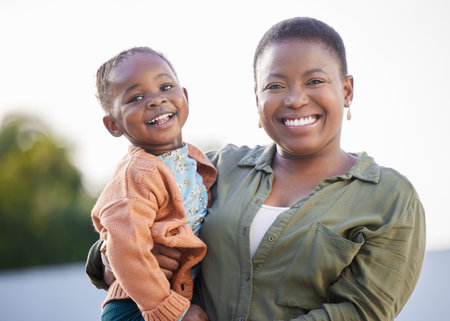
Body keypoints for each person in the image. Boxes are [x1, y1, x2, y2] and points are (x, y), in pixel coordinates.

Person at [87, 18, 426, 321]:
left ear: (347, 90)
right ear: (257, 98)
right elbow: (127, 225)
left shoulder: (389, 197)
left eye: (315, 80)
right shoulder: (216, 168)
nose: (295, 99)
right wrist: (107, 259)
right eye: (275, 86)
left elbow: (362, 311)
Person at [89, 46, 216, 321]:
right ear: (113, 125)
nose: (156, 100)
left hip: (174, 295)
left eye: (166, 86)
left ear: (184, 96)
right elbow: (127, 250)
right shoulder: (135, 175)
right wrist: (173, 312)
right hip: (138, 307)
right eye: (136, 97)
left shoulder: (195, 160)